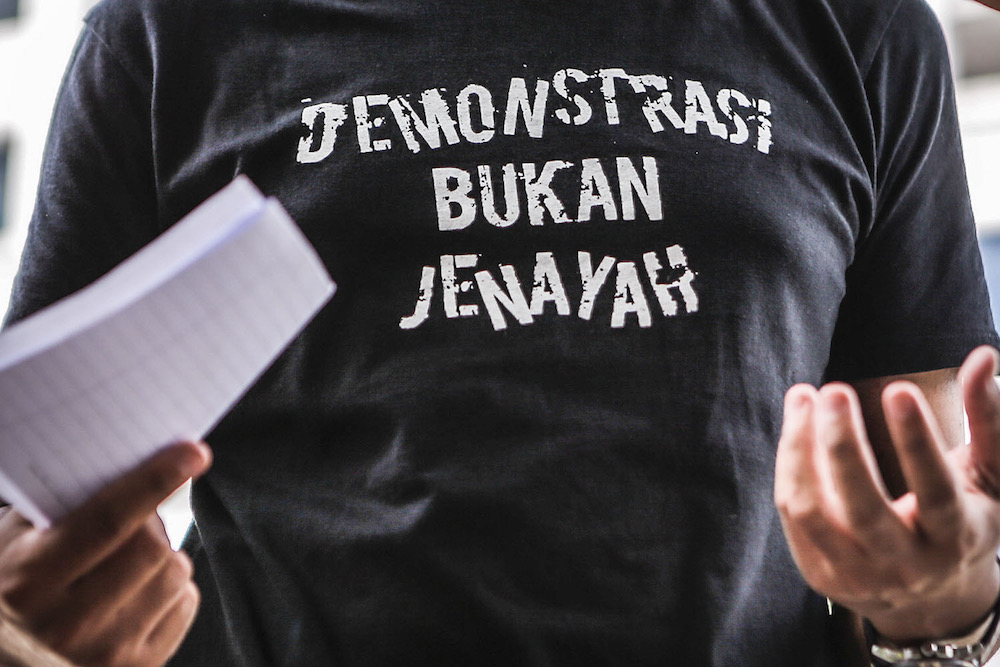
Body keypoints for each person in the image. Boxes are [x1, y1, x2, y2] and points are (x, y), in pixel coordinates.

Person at [3, 0, 1000, 665]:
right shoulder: (168, 32)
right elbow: (28, 509)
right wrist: (24, 633)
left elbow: (917, 543)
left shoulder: (861, 26)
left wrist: (940, 613)